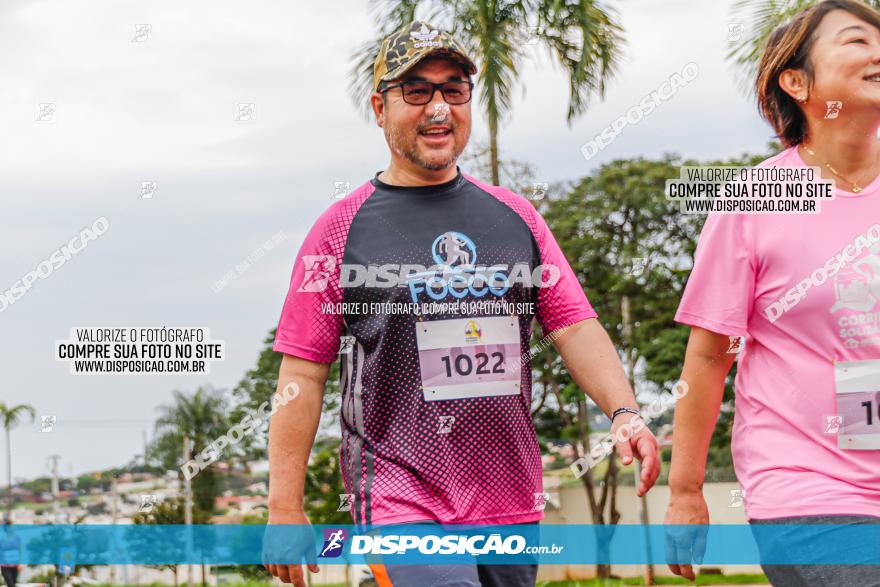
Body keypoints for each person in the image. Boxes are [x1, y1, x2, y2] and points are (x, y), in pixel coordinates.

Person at [264, 20, 660, 587]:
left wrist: (625, 413)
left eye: (454, 89)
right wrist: (284, 504)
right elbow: (302, 367)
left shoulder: (516, 218)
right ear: (380, 107)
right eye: (417, 91)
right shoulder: (340, 230)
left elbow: (573, 325)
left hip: (509, 498)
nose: (438, 108)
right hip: (400, 493)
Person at [665, 2, 880, 585]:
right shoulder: (757, 200)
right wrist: (685, 491)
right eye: (857, 41)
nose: (877, 53)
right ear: (798, 81)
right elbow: (710, 354)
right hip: (807, 484)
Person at [0, 520, 21, 587]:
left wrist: (20, 563)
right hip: (5, 566)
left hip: (14, 566)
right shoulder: (1, 539)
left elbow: (20, 551)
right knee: (11, 585)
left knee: (12, 584)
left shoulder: (17, 538)